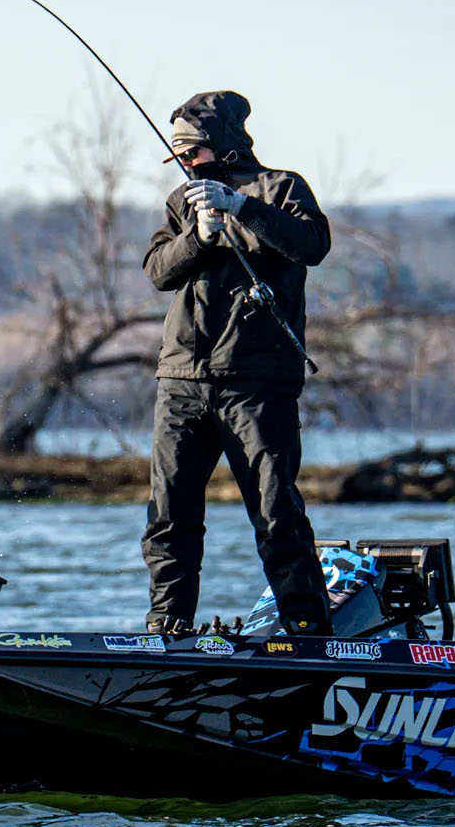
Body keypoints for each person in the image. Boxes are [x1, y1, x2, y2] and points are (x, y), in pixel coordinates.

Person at [140, 90, 333, 636]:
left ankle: (306, 631)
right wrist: (200, 237)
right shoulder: (183, 202)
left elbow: (311, 244)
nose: (184, 163)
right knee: (170, 517)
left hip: (257, 384)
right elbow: (157, 269)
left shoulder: (283, 189)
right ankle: (166, 627)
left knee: (276, 515)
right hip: (181, 380)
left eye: (191, 152)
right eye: (177, 155)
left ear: (220, 145)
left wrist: (240, 208)